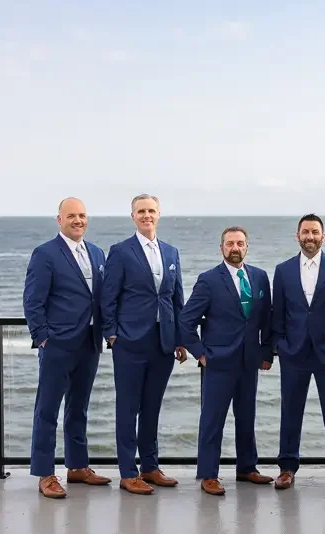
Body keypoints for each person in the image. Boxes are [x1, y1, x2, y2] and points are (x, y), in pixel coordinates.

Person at [22, 197, 111, 498]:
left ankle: (77, 466)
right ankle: (46, 473)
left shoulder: (97, 253)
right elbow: (33, 299)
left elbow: (100, 297)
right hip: (58, 343)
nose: (78, 220)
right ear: (59, 219)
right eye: (71, 215)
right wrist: (43, 336)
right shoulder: (45, 253)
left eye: (83, 215)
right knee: (47, 410)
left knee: (78, 408)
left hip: (89, 341)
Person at [101, 193, 188, 495]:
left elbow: (177, 298)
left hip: (163, 342)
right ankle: (128, 472)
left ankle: (150, 467)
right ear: (133, 216)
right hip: (129, 341)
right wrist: (111, 333)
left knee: (152, 407)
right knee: (128, 408)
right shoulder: (121, 251)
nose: (147, 215)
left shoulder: (171, 252)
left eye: (151, 210)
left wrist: (180, 338)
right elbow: (108, 297)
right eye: (141, 211)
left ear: (159, 214)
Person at [179, 226, 275, 495]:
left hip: (249, 361)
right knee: (212, 420)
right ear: (221, 248)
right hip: (218, 362)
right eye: (230, 243)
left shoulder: (259, 277)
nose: (235, 248)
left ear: (247, 247)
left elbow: (265, 319)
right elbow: (186, 321)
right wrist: (200, 353)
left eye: (240, 243)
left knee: (247, 417)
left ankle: (247, 468)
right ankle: (208, 474)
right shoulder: (208, 280)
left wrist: (267, 352)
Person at [271, 214, 325, 490]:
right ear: (297, 236)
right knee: (290, 411)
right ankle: (287, 467)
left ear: (323, 236)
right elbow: (278, 315)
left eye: (315, 232)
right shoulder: (283, 270)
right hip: (293, 352)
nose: (310, 236)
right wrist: (281, 346)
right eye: (305, 232)